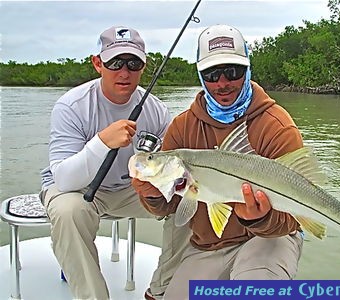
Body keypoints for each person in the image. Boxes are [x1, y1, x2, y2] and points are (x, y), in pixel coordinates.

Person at [131, 24, 304, 299]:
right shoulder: (182, 127)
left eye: (233, 71)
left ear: (248, 70)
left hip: (270, 237)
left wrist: (261, 218)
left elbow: (294, 220)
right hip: (210, 244)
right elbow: (170, 207)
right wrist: (153, 196)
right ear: (201, 75)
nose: (223, 83)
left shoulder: (276, 126)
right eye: (212, 74)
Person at [40, 25, 190, 300]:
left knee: (190, 204)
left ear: (143, 67)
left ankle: (159, 291)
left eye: (133, 64)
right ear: (98, 64)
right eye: (115, 62)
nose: (124, 72)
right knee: (68, 210)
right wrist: (101, 142)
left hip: (134, 190)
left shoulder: (157, 110)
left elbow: (173, 167)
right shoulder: (71, 106)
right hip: (80, 189)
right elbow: (63, 179)